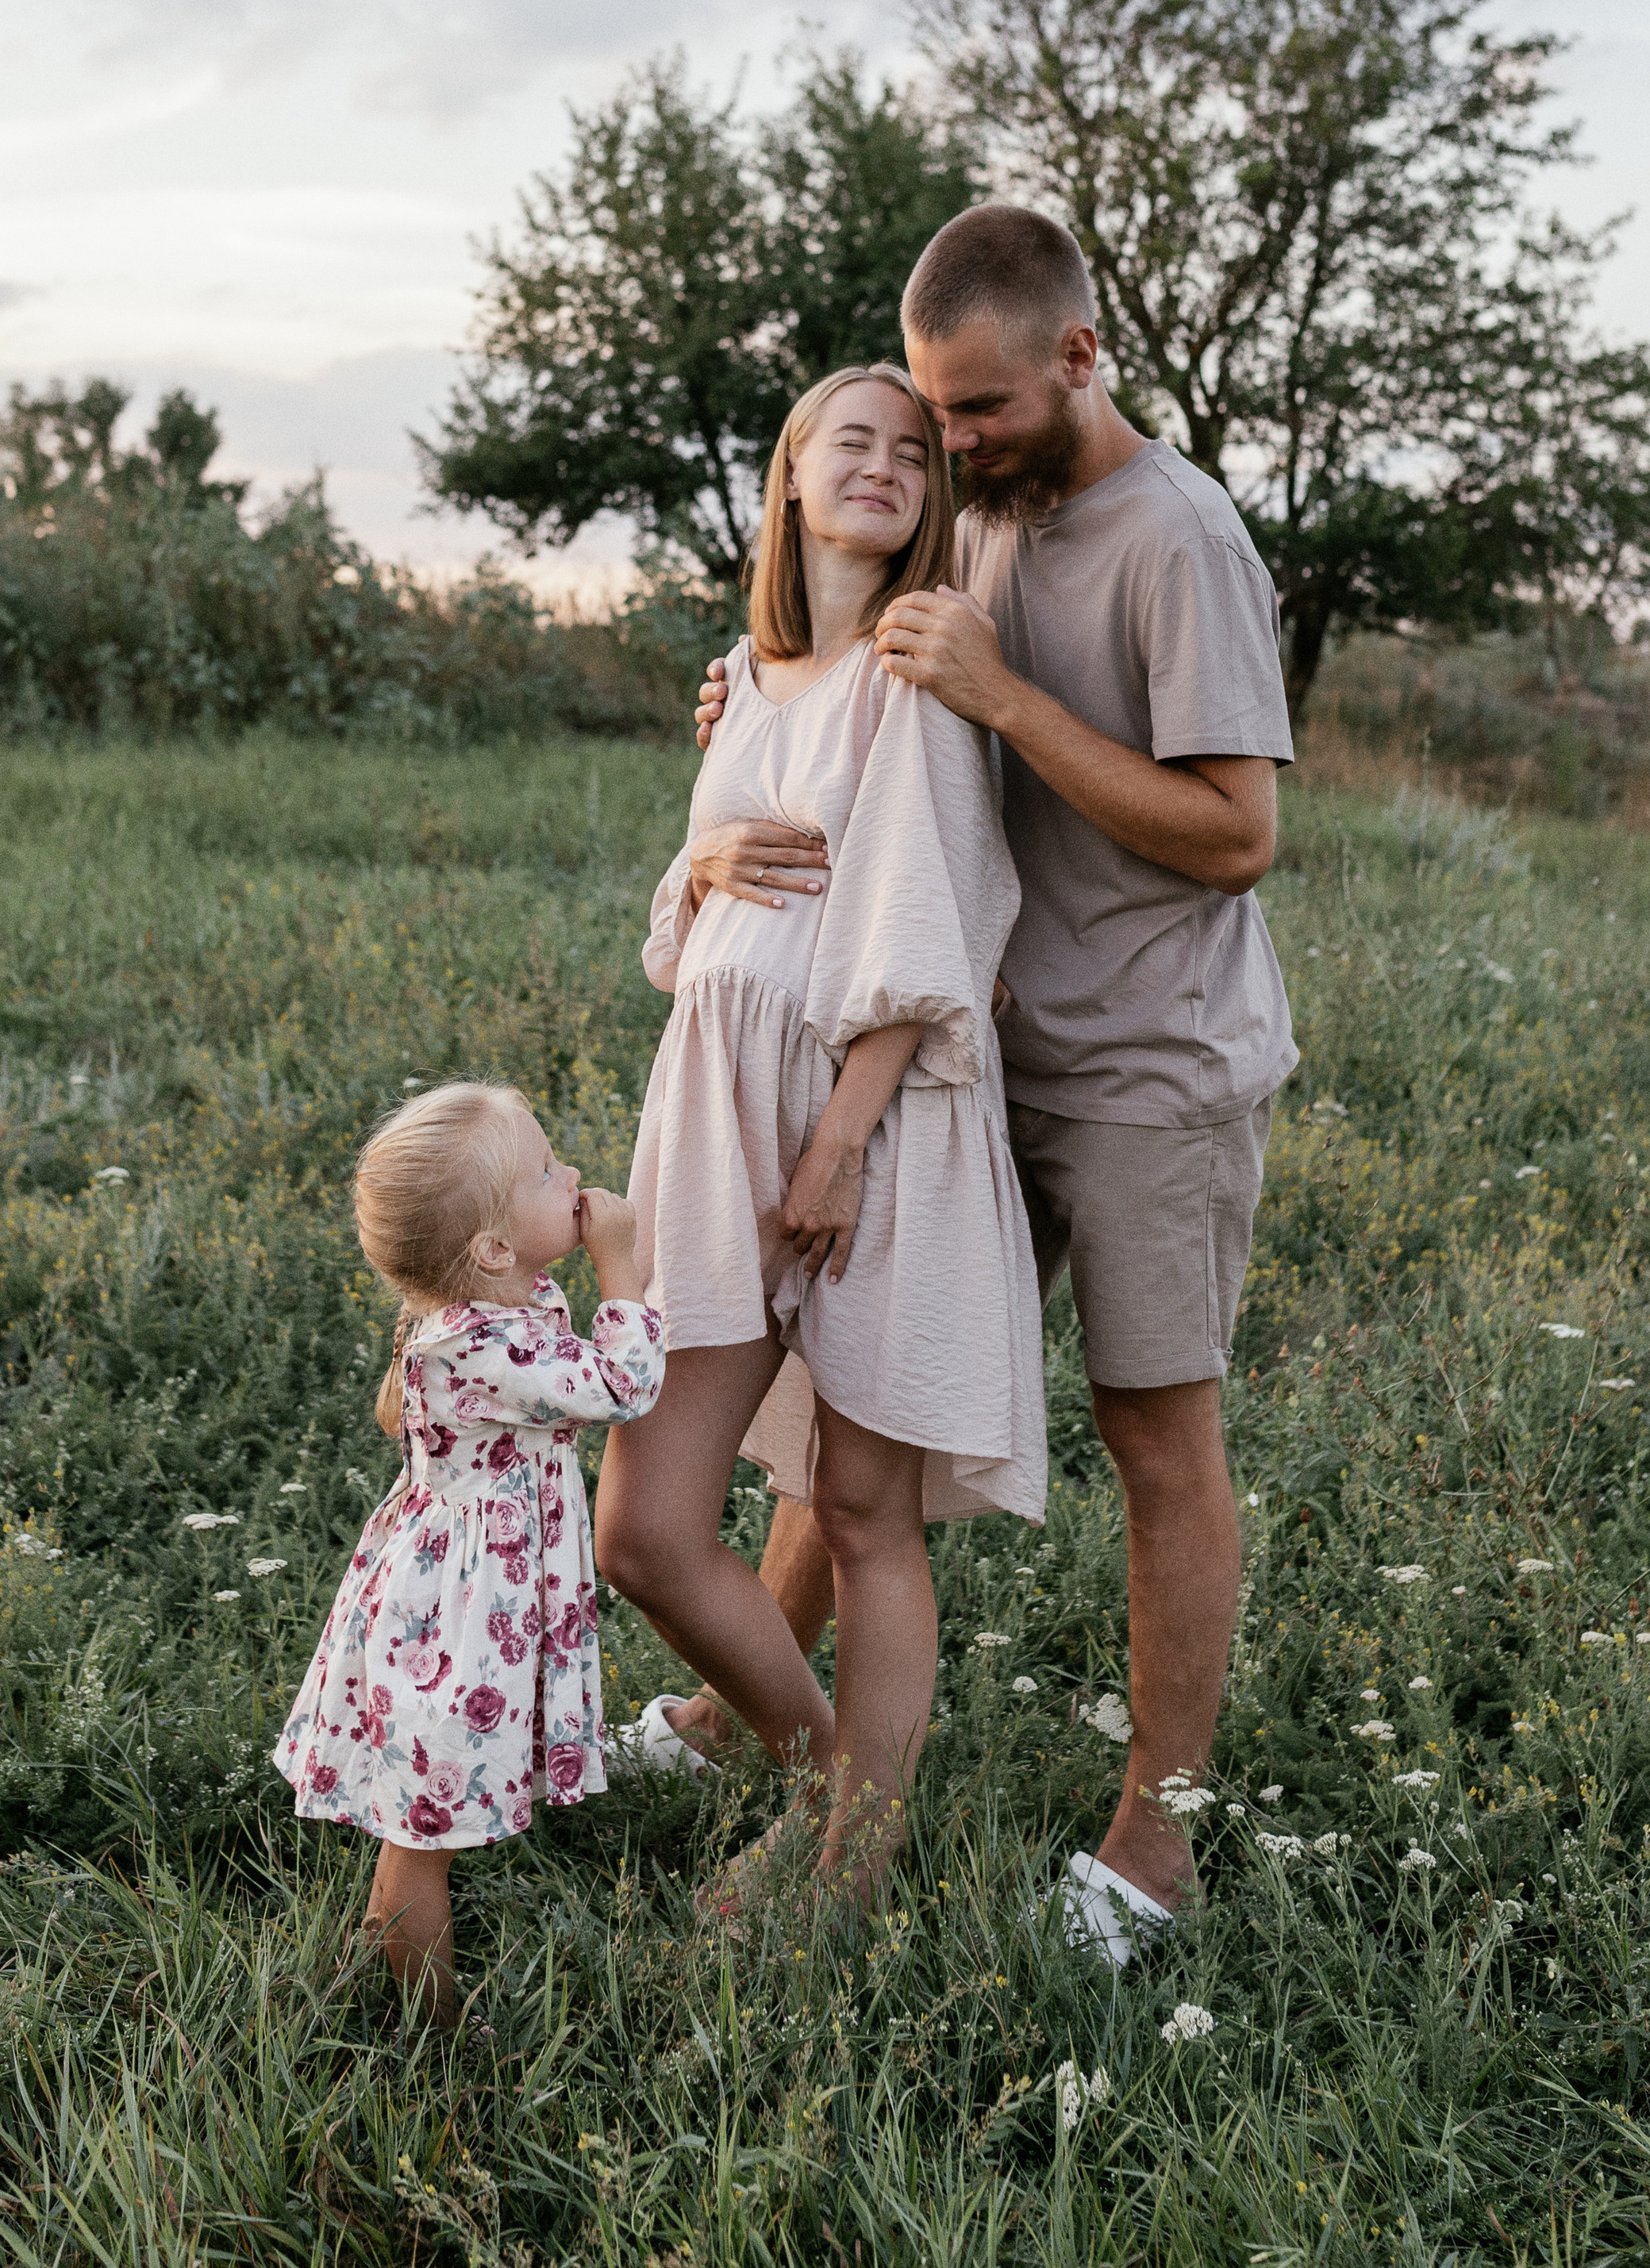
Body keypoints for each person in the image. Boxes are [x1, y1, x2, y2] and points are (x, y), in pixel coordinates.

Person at [688, 206, 1296, 1965]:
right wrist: (759, 698)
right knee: (856, 1383)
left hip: (1141, 1066)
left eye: (976, 410)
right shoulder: (990, 511)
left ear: (1080, 359)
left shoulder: (1173, 538)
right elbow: (881, 693)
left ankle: (1143, 1856)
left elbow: (1238, 835)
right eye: (931, 415)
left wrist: (1006, 697)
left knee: (1152, 1436)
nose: (948, 443)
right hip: (966, 1052)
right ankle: (750, 1711)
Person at [594, 363, 1045, 1899]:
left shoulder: (913, 673)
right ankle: (825, 1790)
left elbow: (934, 926)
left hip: (871, 1128)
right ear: (786, 479)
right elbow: (685, 928)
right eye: (845, 443)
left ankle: (846, 1856)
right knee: (645, 1529)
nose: (882, 466)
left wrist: (841, 1141)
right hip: (715, 1119)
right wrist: (704, 849)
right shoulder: (742, 673)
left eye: (911, 453)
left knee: (859, 1503)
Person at [272, 1082, 663, 2019]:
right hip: (455, 1616)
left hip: (474, 1593)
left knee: (427, 1819)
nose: (568, 1173)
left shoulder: (506, 1307)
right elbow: (620, 1388)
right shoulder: (479, 1344)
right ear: (490, 1248)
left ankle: (387, 1961)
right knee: (425, 1828)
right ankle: (432, 2029)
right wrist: (623, 1274)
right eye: (543, 1169)